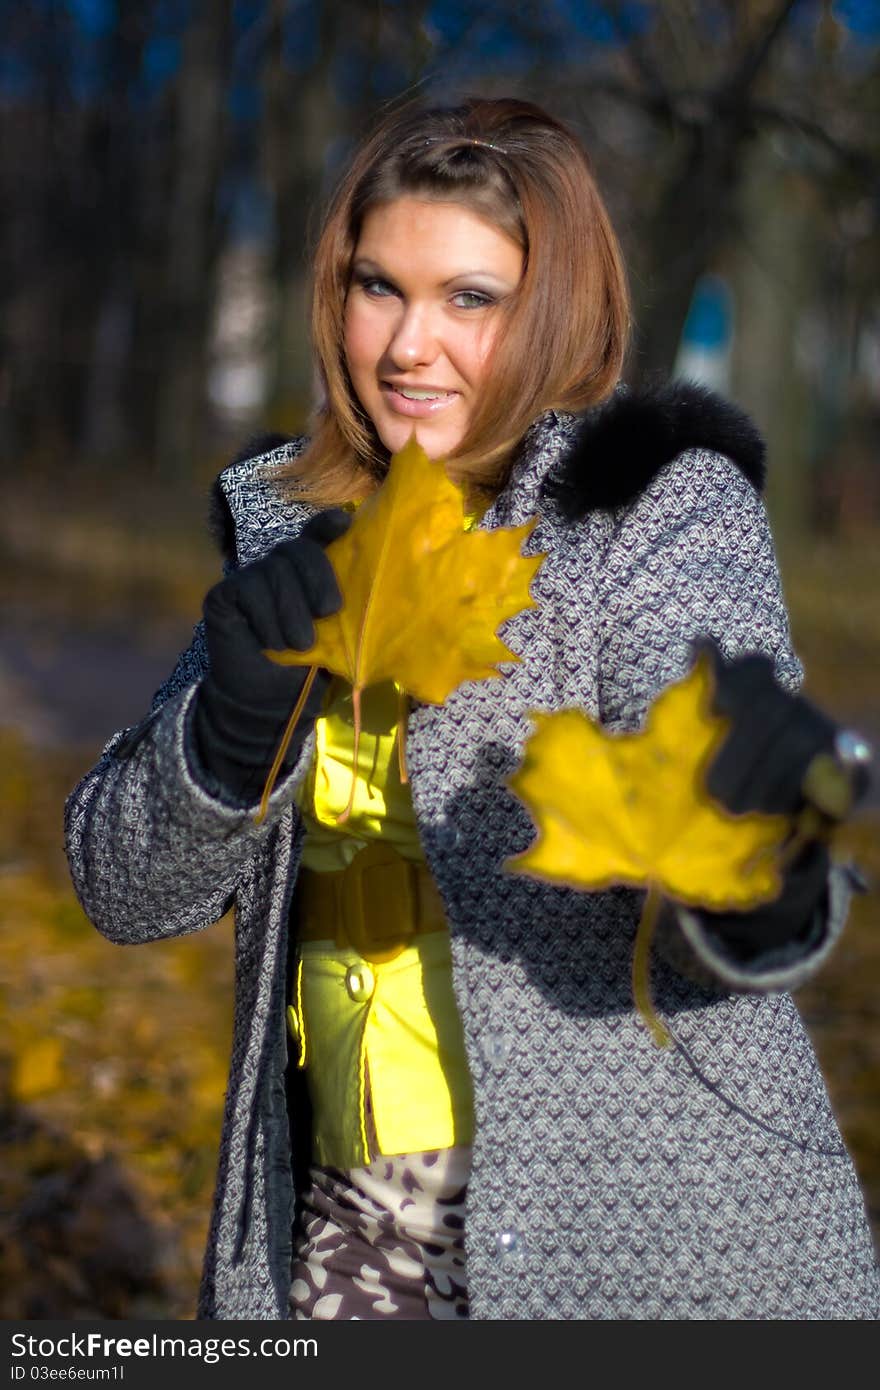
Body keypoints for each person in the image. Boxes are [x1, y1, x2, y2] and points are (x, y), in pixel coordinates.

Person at [65, 96, 879, 1321]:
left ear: (551, 310)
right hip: (338, 1246)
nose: (406, 345)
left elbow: (713, 821)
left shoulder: (653, 510)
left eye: (469, 299)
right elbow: (123, 890)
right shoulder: (294, 537)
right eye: (377, 286)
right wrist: (226, 736)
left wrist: (748, 844)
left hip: (638, 1255)